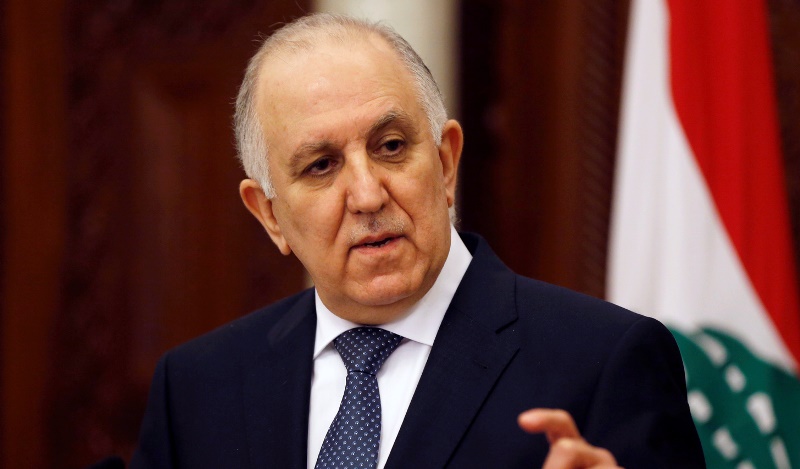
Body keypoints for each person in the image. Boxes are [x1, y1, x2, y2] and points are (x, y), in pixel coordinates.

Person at [130, 13, 705, 469]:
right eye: (321, 165)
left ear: (446, 163)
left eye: (390, 147)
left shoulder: (604, 361)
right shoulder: (198, 389)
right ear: (269, 215)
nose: (367, 195)